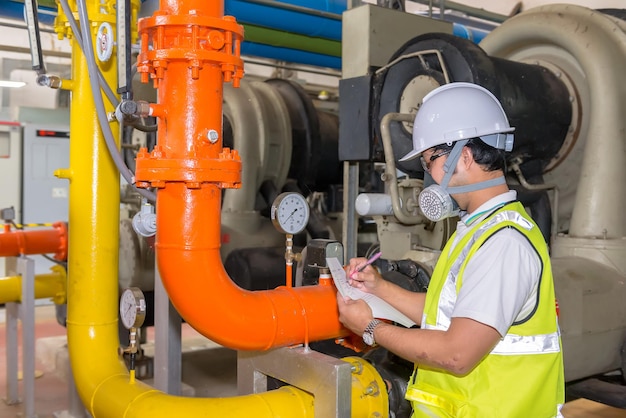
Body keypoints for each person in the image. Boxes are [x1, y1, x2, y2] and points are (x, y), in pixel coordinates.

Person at [337, 82, 564, 417]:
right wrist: (379, 288)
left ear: (464, 156)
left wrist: (371, 328)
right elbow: (445, 313)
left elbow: (457, 354)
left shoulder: (503, 243)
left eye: (430, 161)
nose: (429, 174)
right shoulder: (475, 229)